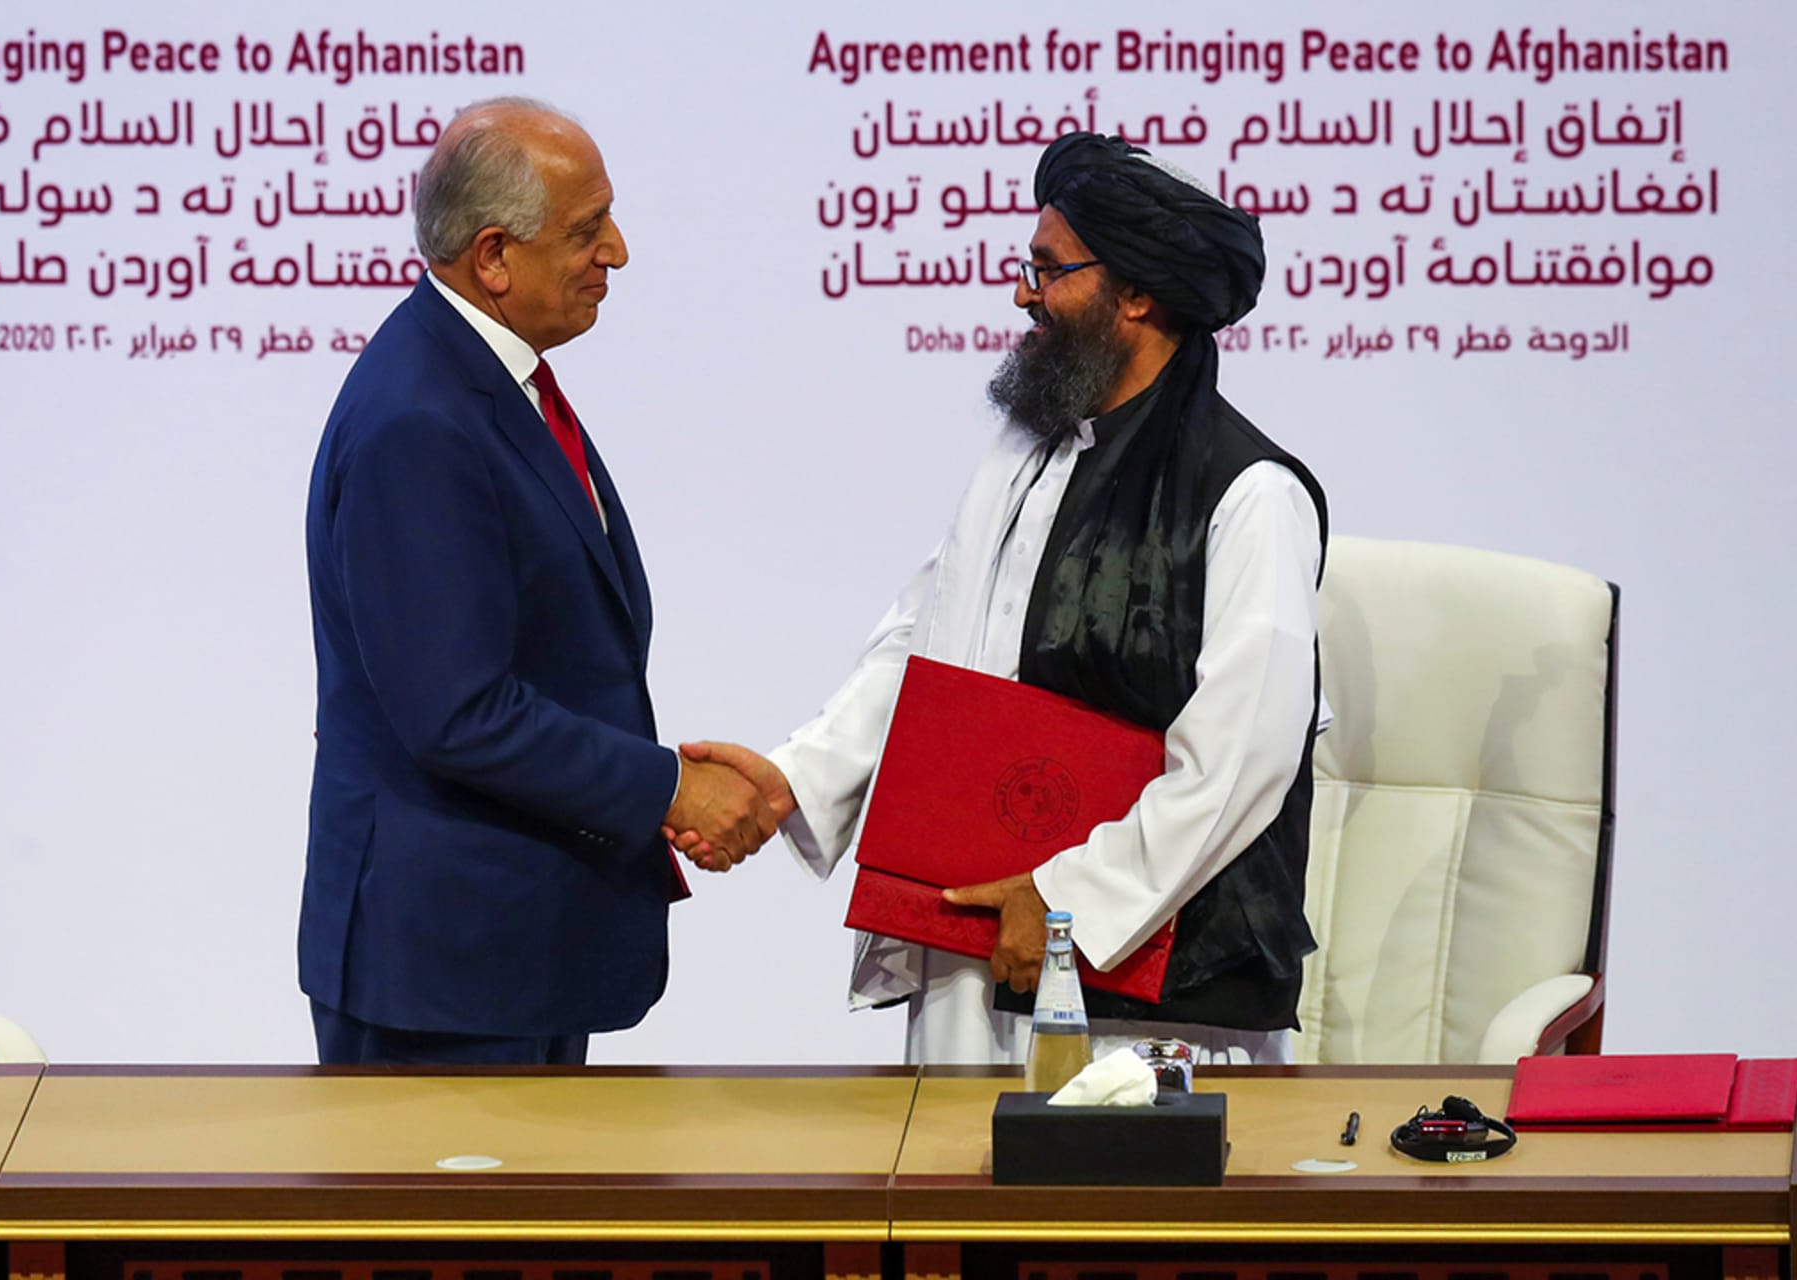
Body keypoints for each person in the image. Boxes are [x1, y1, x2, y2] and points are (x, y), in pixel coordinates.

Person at [674, 133, 1328, 1066]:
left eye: (1049, 270)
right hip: (973, 944)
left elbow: (1241, 761)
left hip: (1145, 995)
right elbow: (926, 643)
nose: (1024, 294)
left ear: (1136, 295)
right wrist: (796, 780)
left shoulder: (1251, 493)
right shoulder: (1026, 453)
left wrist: (1069, 902)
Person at [300, 98, 772, 1066]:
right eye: (587, 230)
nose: (618, 252)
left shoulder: (480, 380)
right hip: (447, 973)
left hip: (511, 947)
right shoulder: (420, 421)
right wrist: (668, 787)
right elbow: (458, 711)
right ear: (494, 256)